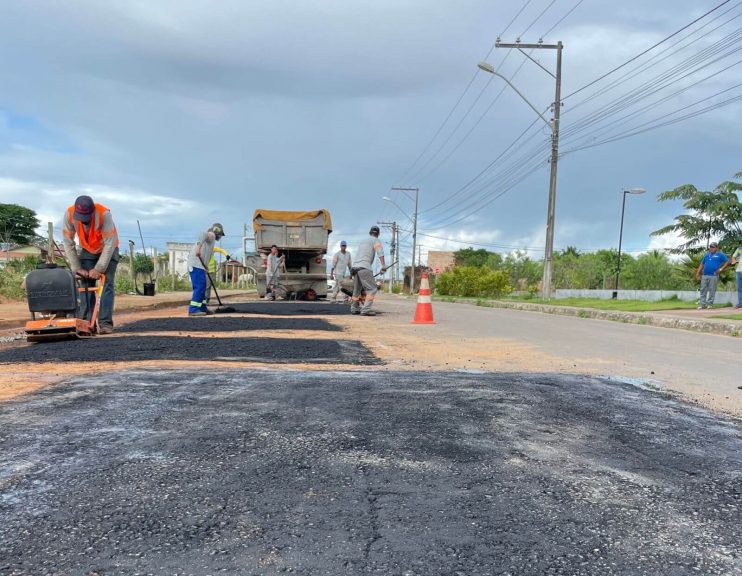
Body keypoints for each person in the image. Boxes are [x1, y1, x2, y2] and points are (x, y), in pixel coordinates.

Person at [62, 195, 119, 334]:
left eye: (86, 218)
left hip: (108, 250)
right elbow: (68, 242)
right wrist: (77, 267)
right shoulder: (69, 214)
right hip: (88, 249)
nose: (84, 222)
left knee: (107, 284)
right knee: (86, 284)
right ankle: (87, 324)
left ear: (92, 212)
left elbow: (110, 244)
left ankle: (105, 324)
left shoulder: (104, 214)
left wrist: (99, 269)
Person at [187, 223, 225, 316]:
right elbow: (203, 233)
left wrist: (205, 266)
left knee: (203, 287)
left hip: (200, 265)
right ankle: (193, 309)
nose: (220, 237)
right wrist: (198, 248)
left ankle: (202, 308)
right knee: (199, 287)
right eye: (220, 234)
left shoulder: (211, 241)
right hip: (196, 265)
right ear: (217, 231)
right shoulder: (211, 235)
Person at [351, 225, 387, 316]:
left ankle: (354, 308)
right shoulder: (376, 240)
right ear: (378, 234)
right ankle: (366, 310)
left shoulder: (363, 241)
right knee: (372, 289)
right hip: (364, 267)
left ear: (369, 233)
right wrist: (383, 266)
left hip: (355, 267)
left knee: (356, 290)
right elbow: (380, 252)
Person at [695, 242, 730, 309]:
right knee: (703, 290)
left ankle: (710, 304)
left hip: (713, 275)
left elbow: (727, 261)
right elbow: (702, 264)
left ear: (716, 248)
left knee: (712, 290)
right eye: (710, 247)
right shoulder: (706, 255)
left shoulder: (720, 255)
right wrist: (698, 272)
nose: (711, 248)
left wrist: (721, 269)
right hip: (705, 275)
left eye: (713, 247)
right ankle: (703, 304)